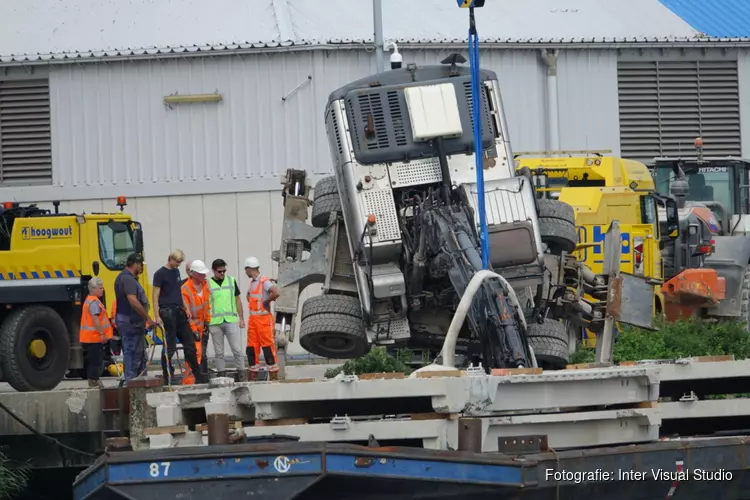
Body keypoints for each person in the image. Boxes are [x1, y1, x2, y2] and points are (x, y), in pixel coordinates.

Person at [153, 250, 205, 384]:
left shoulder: (176, 272)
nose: (178, 265)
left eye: (180, 262)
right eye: (177, 262)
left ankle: (197, 374)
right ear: (170, 259)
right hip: (167, 310)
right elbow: (155, 295)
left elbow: (178, 291)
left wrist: (185, 307)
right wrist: (157, 315)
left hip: (179, 309)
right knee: (170, 345)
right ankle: (167, 375)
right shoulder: (159, 274)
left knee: (190, 343)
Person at [114, 253, 153, 382]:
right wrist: (147, 318)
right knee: (132, 352)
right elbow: (133, 300)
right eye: (140, 265)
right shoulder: (128, 279)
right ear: (136, 264)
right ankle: (131, 381)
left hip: (130, 321)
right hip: (130, 322)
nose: (141, 268)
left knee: (135, 352)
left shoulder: (124, 278)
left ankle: (134, 380)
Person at [209, 258, 247, 381]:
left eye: (224, 271)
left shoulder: (231, 281)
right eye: (220, 271)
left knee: (237, 350)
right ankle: (221, 375)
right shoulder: (208, 284)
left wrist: (241, 318)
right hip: (215, 322)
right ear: (213, 271)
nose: (222, 273)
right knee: (219, 352)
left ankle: (242, 374)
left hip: (230, 320)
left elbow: (237, 300)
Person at [244, 256, 280, 378]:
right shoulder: (253, 282)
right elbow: (249, 295)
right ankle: (253, 373)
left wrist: (266, 302)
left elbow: (276, 292)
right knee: (252, 347)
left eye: (246, 270)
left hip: (264, 320)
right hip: (253, 320)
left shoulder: (264, 281)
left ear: (249, 269)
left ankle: (273, 377)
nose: (245, 272)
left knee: (267, 347)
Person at [180, 260, 211, 385]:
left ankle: (199, 379)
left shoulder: (205, 285)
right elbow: (186, 312)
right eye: (201, 273)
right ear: (193, 274)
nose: (204, 276)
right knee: (194, 354)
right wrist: (193, 329)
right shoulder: (185, 289)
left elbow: (207, 305)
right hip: (191, 328)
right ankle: (189, 381)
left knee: (201, 354)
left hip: (202, 326)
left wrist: (207, 322)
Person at [79, 277, 113, 388]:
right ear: (93, 289)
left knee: (96, 360)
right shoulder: (93, 302)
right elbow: (96, 320)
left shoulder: (91, 300)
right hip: (94, 337)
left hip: (91, 337)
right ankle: (93, 381)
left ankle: (94, 380)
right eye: (100, 288)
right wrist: (102, 334)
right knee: (96, 361)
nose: (102, 290)